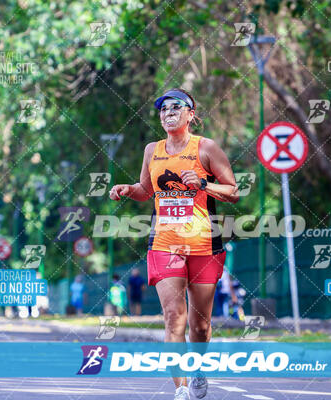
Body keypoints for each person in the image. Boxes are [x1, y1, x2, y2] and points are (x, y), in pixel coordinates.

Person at [109, 88, 238, 400]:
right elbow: (145, 188)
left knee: (201, 326)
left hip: (204, 244)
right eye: (163, 109)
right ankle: (179, 390)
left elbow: (233, 190)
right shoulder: (152, 150)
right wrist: (129, 189)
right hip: (165, 243)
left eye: (175, 107)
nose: (168, 113)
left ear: (190, 114)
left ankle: (198, 370)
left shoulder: (206, 148)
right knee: (173, 316)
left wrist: (205, 183)